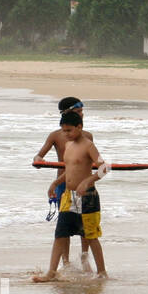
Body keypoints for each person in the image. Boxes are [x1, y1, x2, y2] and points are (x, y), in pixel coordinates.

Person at [33, 111, 107, 281]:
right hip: (69, 196)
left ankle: (102, 272)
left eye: (69, 131)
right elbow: (70, 171)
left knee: (90, 235)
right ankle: (51, 272)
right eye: (63, 131)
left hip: (88, 197)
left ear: (79, 127)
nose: (66, 135)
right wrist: (56, 183)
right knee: (60, 233)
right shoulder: (68, 146)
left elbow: (104, 168)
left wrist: (87, 181)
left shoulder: (88, 145)